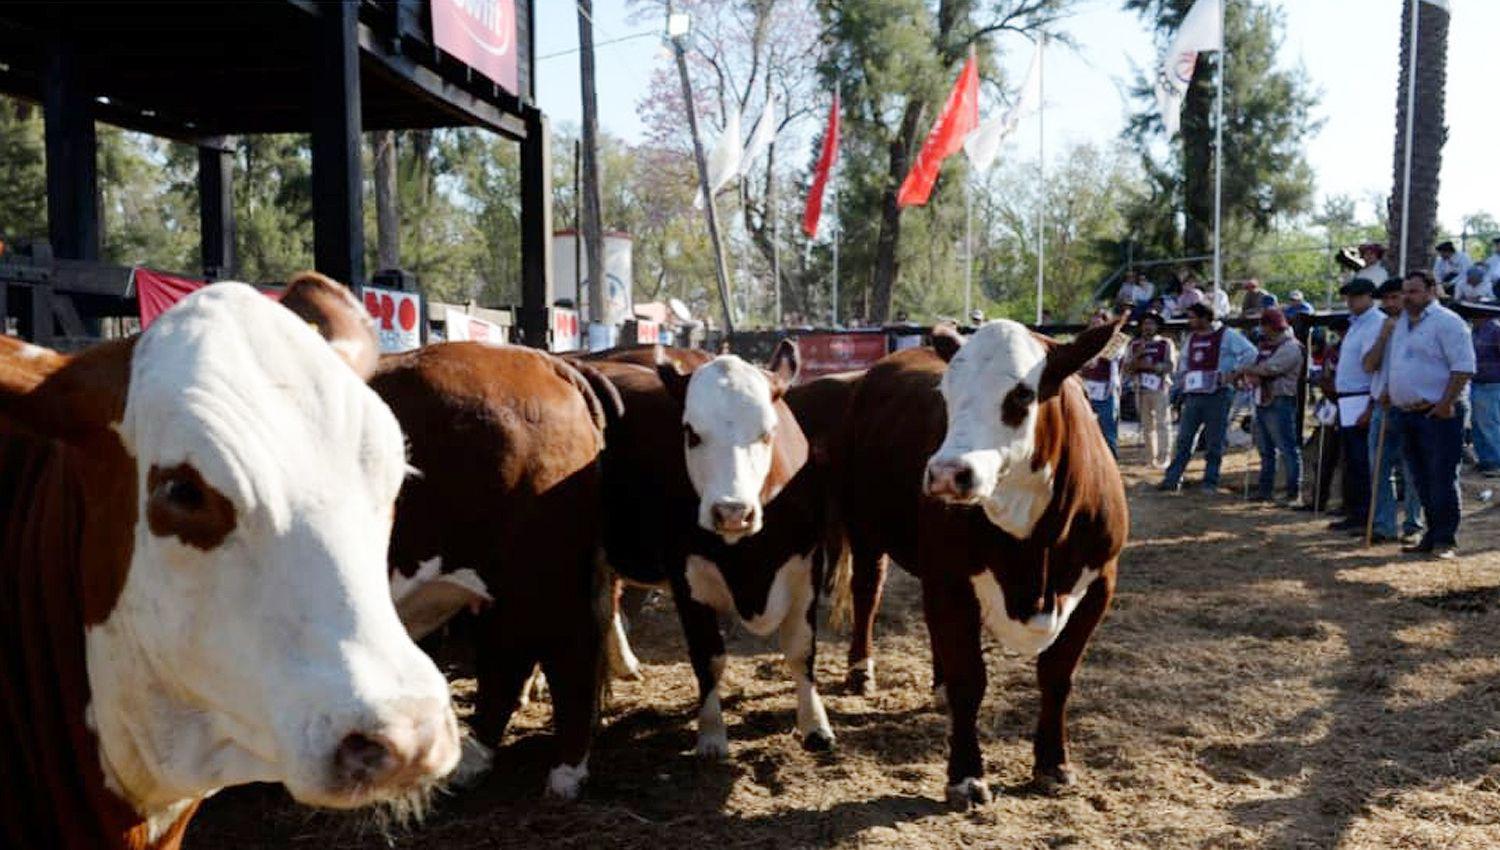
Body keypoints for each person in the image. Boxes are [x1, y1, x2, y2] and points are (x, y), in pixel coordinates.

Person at [1380, 270, 1476, 560]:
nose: (1408, 297)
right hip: (1406, 413)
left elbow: (1463, 367)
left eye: (1414, 291)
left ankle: (1445, 540)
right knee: (1420, 478)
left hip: (1438, 412)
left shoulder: (1448, 323)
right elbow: (1396, 364)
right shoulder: (1401, 325)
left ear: (1431, 291)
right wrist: (1388, 391)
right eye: (1405, 292)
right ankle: (1431, 534)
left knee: (1441, 477)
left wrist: (1446, 403)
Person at [1158, 303, 1257, 493]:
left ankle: (1210, 482)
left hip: (1217, 395)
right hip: (1194, 395)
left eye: (1193, 317)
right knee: (1185, 438)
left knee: (1214, 440)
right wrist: (1181, 385)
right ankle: (1172, 479)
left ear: (1205, 318)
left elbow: (1250, 353)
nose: (1190, 321)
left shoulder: (1227, 335)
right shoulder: (1191, 338)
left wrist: (1234, 373)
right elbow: (1184, 363)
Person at [1362, 279, 1425, 543]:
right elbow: (1368, 365)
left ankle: (1413, 525)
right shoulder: (1379, 327)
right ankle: (1384, 525)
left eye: (1394, 297)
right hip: (1381, 407)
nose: (1389, 304)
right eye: (1384, 299)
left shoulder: (1420, 327)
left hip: (1411, 407)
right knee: (1379, 469)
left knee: (1412, 470)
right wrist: (1383, 337)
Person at [1231, 308, 1304, 505]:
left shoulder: (1291, 347)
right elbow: (1258, 367)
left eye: (1265, 326)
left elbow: (1271, 368)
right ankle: (1265, 490)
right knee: (1265, 449)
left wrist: (1247, 370)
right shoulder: (1265, 346)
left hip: (1280, 399)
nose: (1263, 331)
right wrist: (1249, 372)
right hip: (1261, 398)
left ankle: (1293, 491)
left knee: (1287, 447)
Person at [1328, 277, 1384, 534]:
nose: (1350, 301)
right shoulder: (1356, 324)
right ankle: (1354, 511)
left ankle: (1364, 514)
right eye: (1348, 296)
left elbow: (1373, 367)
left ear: (1369, 296)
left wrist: (1371, 406)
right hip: (1348, 398)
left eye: (1356, 296)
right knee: (1351, 458)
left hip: (1362, 396)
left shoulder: (1375, 323)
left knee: (1361, 460)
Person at [1125, 311, 1176, 468]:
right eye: (1145, 324)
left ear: (1157, 326)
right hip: (1140, 387)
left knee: (1163, 422)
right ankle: (1150, 458)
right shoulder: (1134, 345)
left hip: (1159, 386)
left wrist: (1154, 367)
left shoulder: (1165, 343)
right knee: (1147, 425)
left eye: (1151, 324)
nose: (1147, 327)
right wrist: (1137, 357)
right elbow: (1127, 367)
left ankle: (1164, 457)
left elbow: (1171, 365)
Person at [1079, 310, 1123, 457]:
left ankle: (1112, 459)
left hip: (1107, 390)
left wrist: (1091, 357)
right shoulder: (1084, 339)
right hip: (1087, 388)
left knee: (1108, 428)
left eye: (1099, 323)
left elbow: (1109, 355)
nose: (1095, 326)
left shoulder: (1117, 339)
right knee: (1084, 427)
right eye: (1093, 323)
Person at [1470, 309, 1500, 476]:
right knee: (1478, 424)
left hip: (1492, 383)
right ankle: (1486, 460)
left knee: (1489, 424)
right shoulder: (1476, 330)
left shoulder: (1495, 329)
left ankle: (1496, 461)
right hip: (1478, 382)